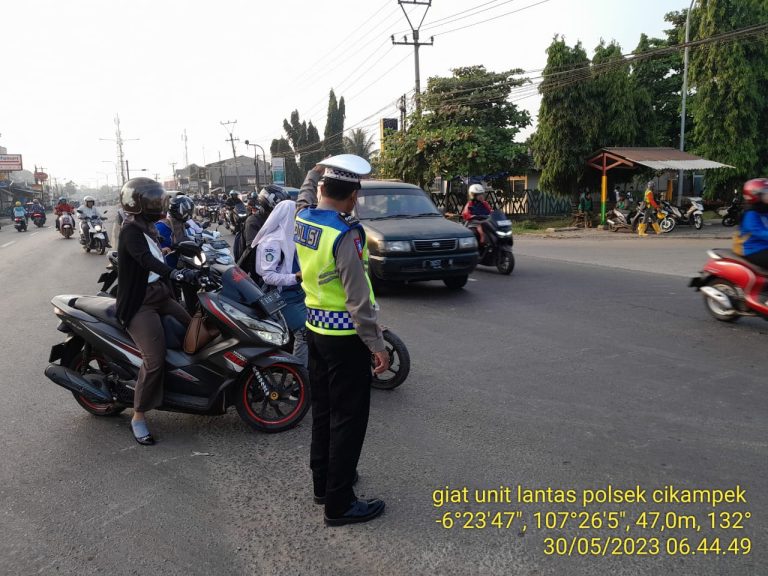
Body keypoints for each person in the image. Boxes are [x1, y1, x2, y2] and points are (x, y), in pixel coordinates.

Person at [295, 156, 389, 526]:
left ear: (322, 190)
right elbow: (357, 300)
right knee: (348, 419)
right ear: (352, 196)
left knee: (323, 410)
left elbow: (304, 194)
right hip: (345, 337)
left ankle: (323, 484)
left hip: (314, 330)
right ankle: (340, 502)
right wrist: (377, 344)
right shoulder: (345, 234)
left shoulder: (303, 218)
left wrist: (314, 171)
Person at [116, 178, 196, 445]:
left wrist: (180, 260)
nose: (157, 204)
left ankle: (185, 384)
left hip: (161, 293)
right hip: (140, 303)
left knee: (195, 327)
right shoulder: (130, 231)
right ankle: (138, 416)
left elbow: (156, 255)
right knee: (154, 359)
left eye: (157, 199)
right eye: (151, 200)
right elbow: (145, 260)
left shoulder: (149, 227)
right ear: (137, 204)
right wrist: (174, 272)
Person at [252, 200, 308, 367]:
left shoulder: (293, 237)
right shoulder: (272, 242)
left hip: (301, 292)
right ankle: (300, 373)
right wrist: (295, 277)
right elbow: (268, 276)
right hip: (283, 297)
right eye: (296, 215)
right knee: (303, 333)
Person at [733, 178, 768, 270]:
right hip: (752, 249)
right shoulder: (750, 213)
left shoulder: (764, 210)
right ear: (756, 196)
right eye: (766, 193)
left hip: (764, 245)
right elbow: (759, 232)